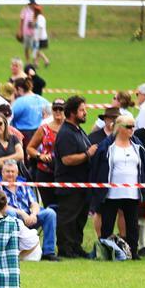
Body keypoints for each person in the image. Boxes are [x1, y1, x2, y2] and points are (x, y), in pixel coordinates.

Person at [90, 115, 145, 259]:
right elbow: (97, 168)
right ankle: (106, 251)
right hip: (111, 193)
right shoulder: (107, 146)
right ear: (119, 128)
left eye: (133, 126)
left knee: (132, 226)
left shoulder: (138, 145)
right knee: (107, 224)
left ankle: (133, 252)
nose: (132, 129)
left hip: (132, 193)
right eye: (128, 127)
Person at [54, 96, 96, 258]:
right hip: (69, 184)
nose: (85, 113)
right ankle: (65, 249)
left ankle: (76, 246)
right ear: (72, 112)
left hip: (82, 184)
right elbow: (67, 159)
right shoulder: (66, 133)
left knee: (80, 218)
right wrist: (88, 154)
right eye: (82, 110)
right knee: (68, 218)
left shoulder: (78, 130)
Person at [0, 159, 58, 261]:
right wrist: (22, 213)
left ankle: (48, 252)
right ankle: (13, 251)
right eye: (7, 171)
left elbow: (34, 203)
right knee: (10, 213)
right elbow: (2, 206)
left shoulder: (23, 184)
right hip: (13, 217)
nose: (10, 174)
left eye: (13, 172)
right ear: (2, 173)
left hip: (29, 217)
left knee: (50, 213)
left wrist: (33, 214)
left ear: (17, 173)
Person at [26, 97, 65, 207]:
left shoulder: (70, 128)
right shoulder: (44, 128)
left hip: (64, 172)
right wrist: (40, 156)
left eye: (61, 109)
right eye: (55, 109)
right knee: (49, 205)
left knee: (64, 206)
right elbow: (30, 148)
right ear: (52, 110)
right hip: (45, 172)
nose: (58, 111)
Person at [10, 78, 50, 146]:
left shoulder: (19, 102)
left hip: (23, 135)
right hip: (41, 133)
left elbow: (9, 116)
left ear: (19, 89)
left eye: (14, 90)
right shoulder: (43, 100)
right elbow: (49, 116)